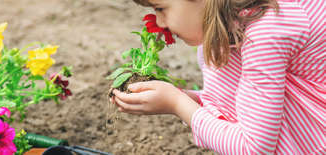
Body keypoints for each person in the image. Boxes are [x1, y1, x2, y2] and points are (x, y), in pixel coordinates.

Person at [110, 0, 325, 154]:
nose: (160, 22)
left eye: (160, 8)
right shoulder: (236, 21)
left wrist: (177, 104)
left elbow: (253, 148)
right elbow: (235, 101)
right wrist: (184, 98)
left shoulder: (265, 34)